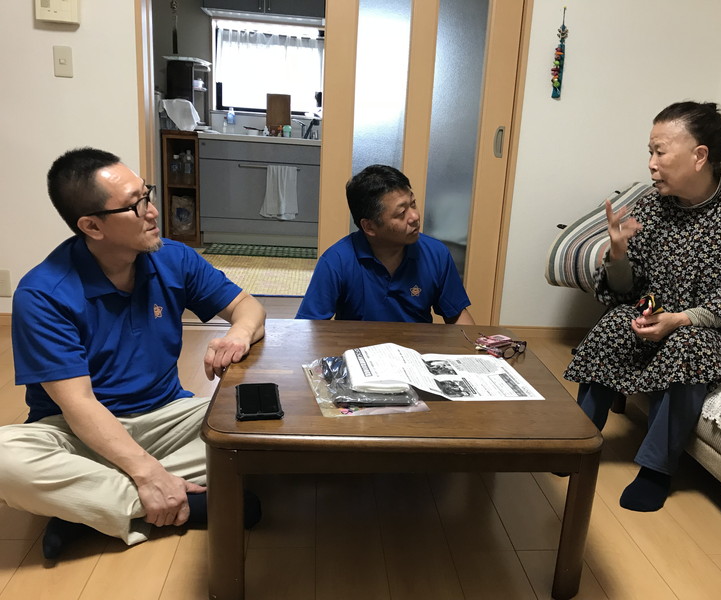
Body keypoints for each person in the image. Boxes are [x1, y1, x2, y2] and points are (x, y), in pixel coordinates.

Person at [0, 147, 266, 559]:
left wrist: (239, 334)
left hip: (166, 415)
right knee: (5, 458)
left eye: (147, 194)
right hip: (76, 431)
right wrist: (146, 471)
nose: (153, 211)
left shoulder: (172, 258)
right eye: (135, 204)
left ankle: (86, 510)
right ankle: (177, 501)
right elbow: (80, 406)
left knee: (266, 418)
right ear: (92, 226)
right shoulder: (43, 294)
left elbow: (247, 307)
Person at [564, 102, 721, 512]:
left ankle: (656, 469)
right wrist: (617, 254)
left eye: (660, 152)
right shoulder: (653, 206)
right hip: (663, 320)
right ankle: (576, 438)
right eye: (650, 151)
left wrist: (680, 320)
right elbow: (627, 291)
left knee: (688, 344)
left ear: (699, 155)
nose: (651, 163)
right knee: (616, 322)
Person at [296, 164, 474, 324]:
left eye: (413, 204)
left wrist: (476, 349)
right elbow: (309, 327)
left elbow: (457, 316)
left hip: (416, 348)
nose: (415, 217)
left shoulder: (436, 253)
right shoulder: (336, 261)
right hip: (359, 348)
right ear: (369, 226)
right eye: (401, 213)